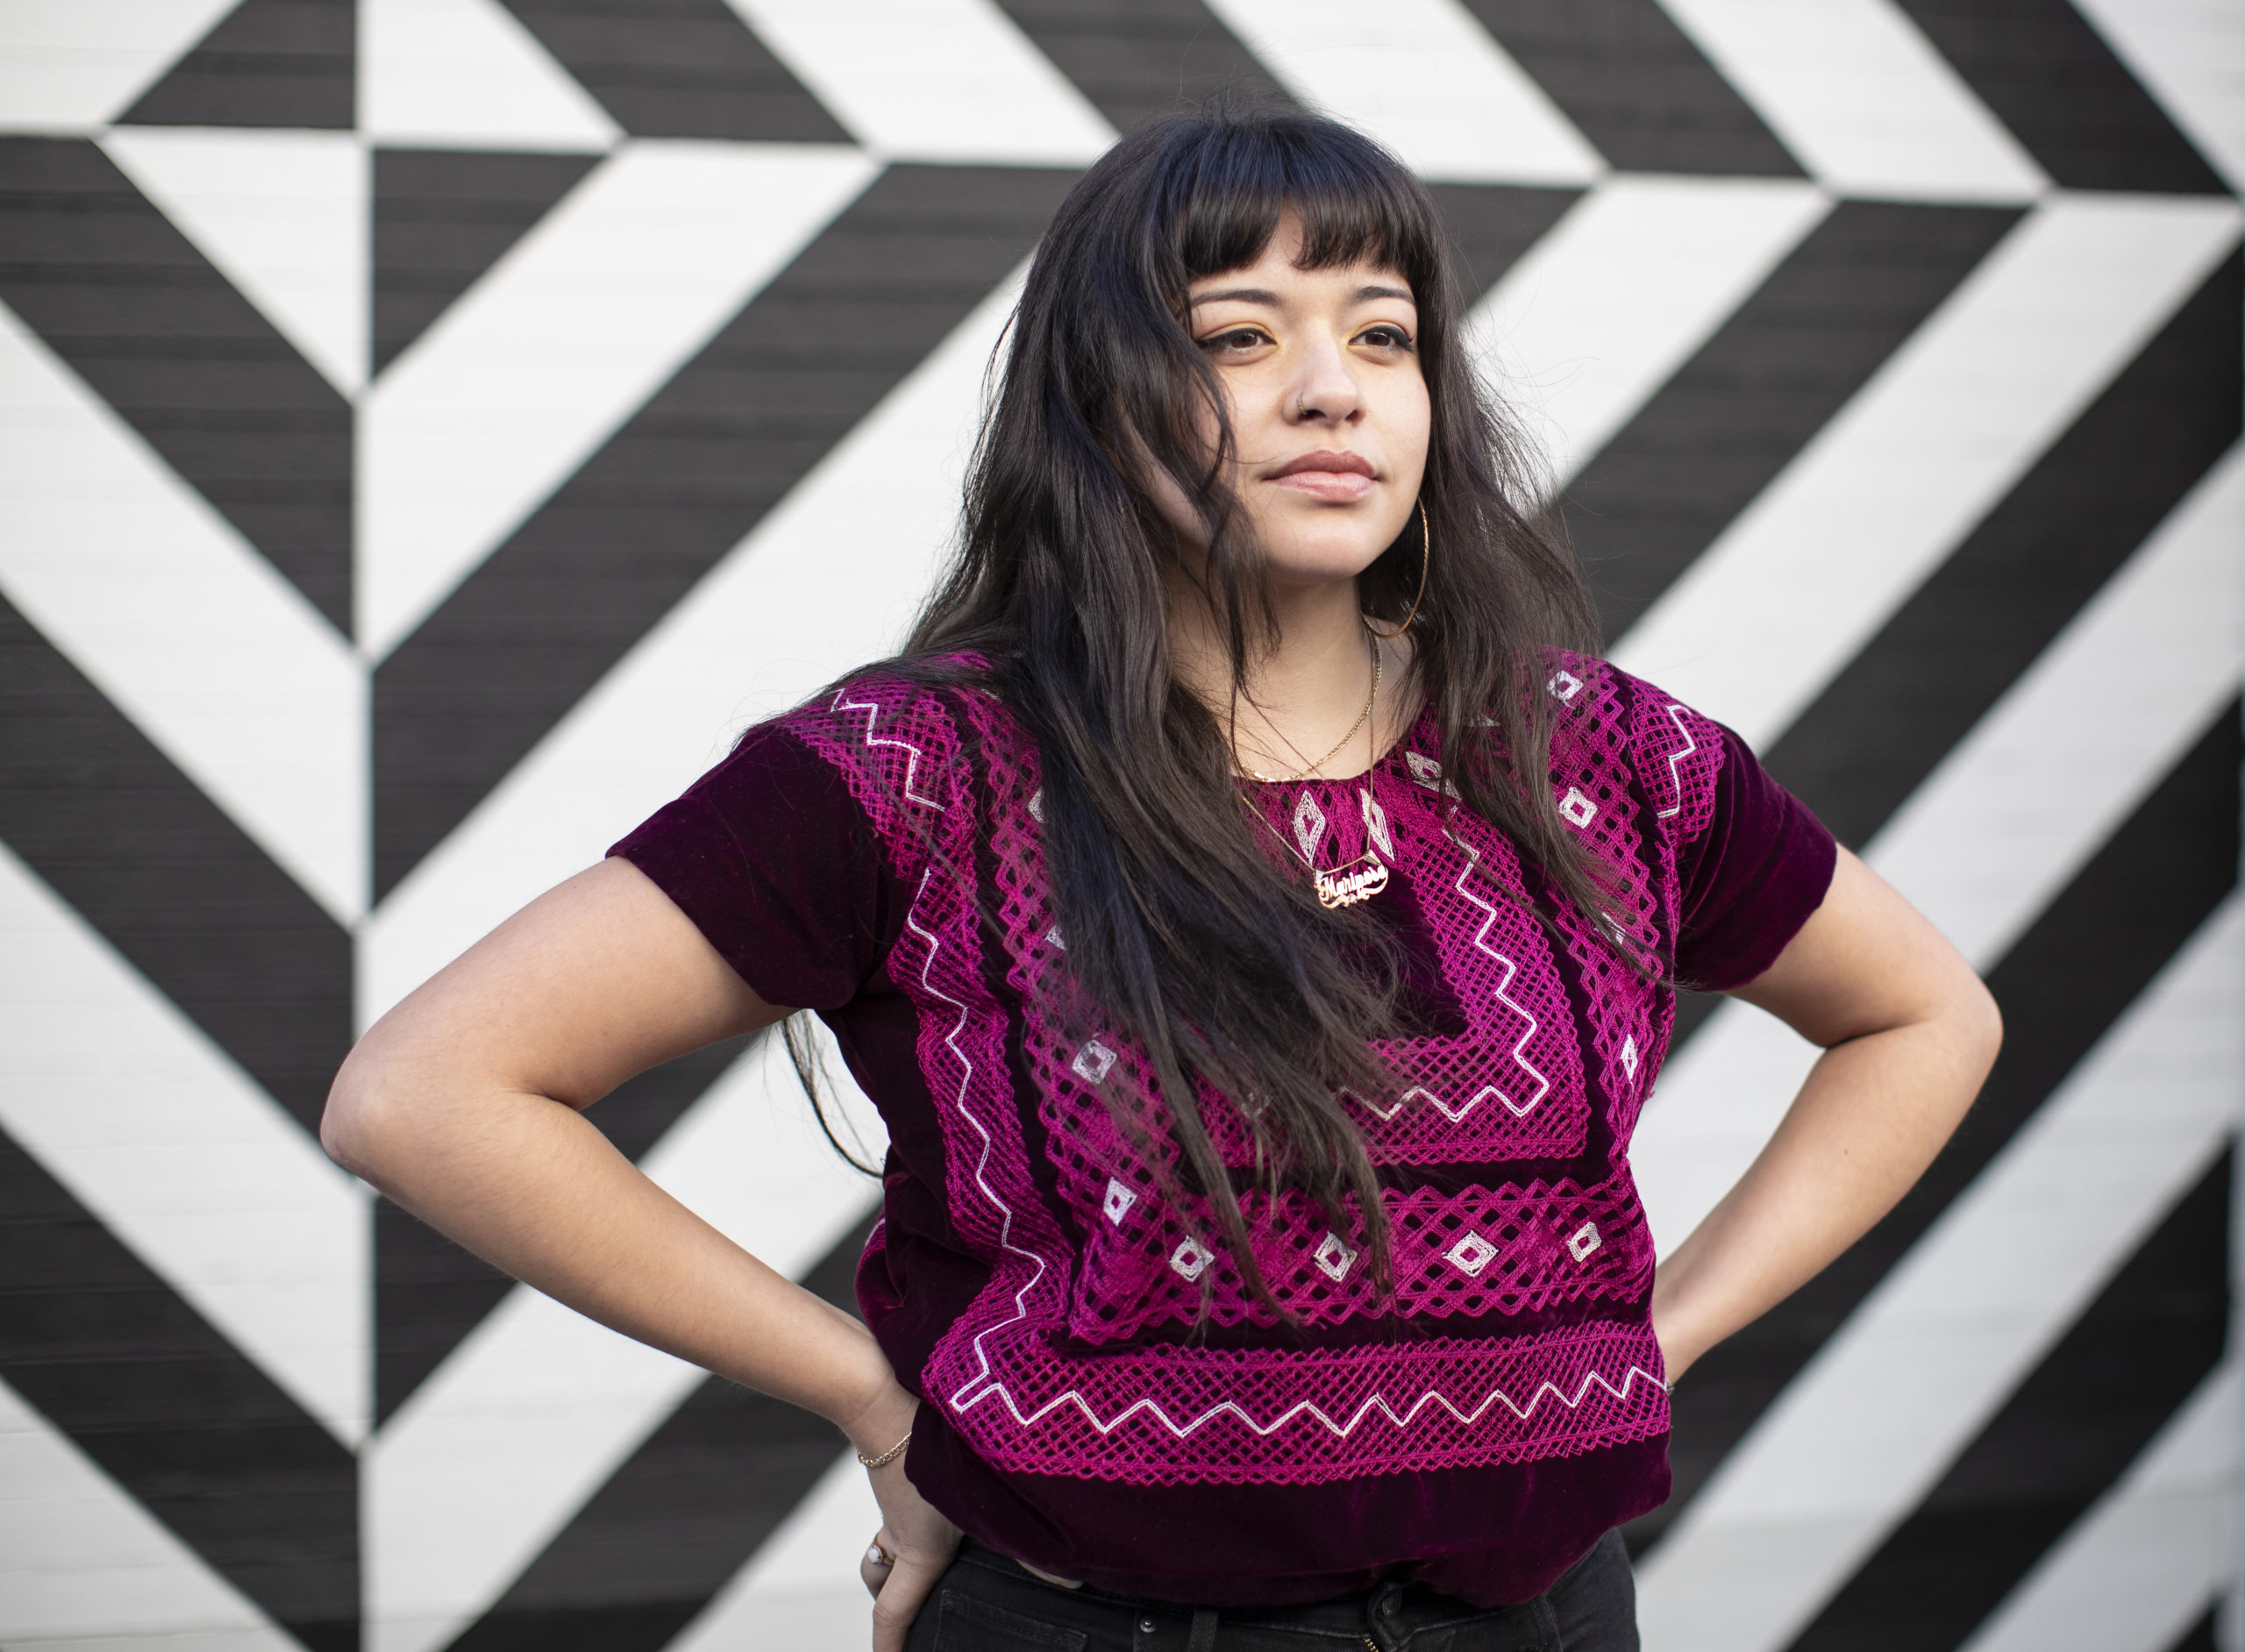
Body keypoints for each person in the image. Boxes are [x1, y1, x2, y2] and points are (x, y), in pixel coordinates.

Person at [323, 108, 2000, 1651]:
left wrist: (1663, 1338)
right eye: (1238, 339)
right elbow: (426, 1093)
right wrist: (874, 1403)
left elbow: (1925, 1016)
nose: (1331, 389)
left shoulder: (1597, 752)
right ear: (1098, 400)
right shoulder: (927, 771)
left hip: (1548, 1623)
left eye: (1383, 335)